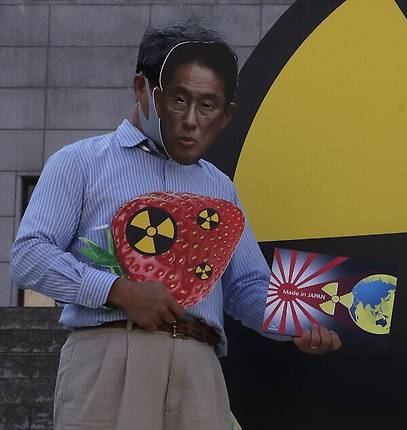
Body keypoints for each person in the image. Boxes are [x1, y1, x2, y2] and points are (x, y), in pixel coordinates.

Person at [10, 22, 341, 430]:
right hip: (110, 356)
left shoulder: (220, 187)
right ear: (142, 90)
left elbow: (245, 287)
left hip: (199, 369)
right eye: (178, 99)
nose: (190, 120)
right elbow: (29, 254)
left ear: (226, 114)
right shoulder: (80, 162)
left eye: (207, 105)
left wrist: (300, 321)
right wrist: (118, 290)